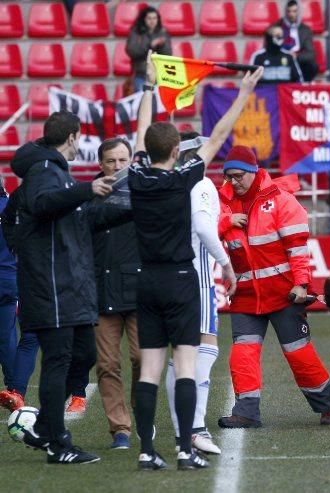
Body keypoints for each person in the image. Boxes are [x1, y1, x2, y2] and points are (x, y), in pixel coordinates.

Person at [128, 54, 256, 471]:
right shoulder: (189, 178)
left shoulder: (138, 176)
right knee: (186, 366)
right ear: (178, 152)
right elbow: (219, 133)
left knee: (149, 369)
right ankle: (186, 448)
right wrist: (243, 94)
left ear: (146, 152)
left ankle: (147, 451)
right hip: (182, 280)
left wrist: (148, 86)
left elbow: (140, 133)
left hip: (145, 280)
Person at [11, 110, 131, 464]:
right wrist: (86, 189)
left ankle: (46, 429)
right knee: (60, 359)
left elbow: (82, 217)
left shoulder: (57, 173)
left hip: (68, 287)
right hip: (52, 286)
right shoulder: (45, 171)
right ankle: (57, 443)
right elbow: (41, 205)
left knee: (84, 355)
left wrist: (132, 207)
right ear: (73, 137)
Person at [216, 145, 330, 429]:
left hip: (283, 293)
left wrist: (301, 284)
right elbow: (202, 230)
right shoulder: (222, 203)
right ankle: (246, 412)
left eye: (238, 176)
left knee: (299, 354)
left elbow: (297, 249)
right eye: (228, 177)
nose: (233, 182)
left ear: (253, 172)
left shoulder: (281, 200)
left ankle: (328, 406)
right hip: (245, 295)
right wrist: (226, 221)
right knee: (242, 354)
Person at [163, 131, 230, 455]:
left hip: (161, 277)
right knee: (204, 350)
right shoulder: (200, 183)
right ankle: (195, 428)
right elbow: (203, 228)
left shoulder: (161, 183)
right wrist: (226, 263)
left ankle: (180, 431)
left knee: (171, 359)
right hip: (195, 279)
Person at [90, 137, 141, 451]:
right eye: (111, 161)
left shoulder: (144, 191)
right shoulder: (87, 196)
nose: (118, 166)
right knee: (107, 365)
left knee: (141, 358)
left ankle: (139, 408)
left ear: (132, 161)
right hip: (100, 292)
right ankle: (120, 428)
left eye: (123, 160)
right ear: (101, 164)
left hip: (139, 291)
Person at [0, 189, 38, 412]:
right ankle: (15, 390)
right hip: (13, 277)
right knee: (20, 336)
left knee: (6, 336)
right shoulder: (13, 208)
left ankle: (14, 389)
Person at [126, 6, 172, 93]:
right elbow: (131, 51)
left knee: (157, 105)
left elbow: (168, 54)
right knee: (141, 103)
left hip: (159, 76)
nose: (152, 21)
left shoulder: (163, 32)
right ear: (144, 19)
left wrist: (162, 46)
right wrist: (150, 45)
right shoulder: (136, 32)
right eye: (149, 18)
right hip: (141, 75)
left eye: (155, 18)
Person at [269, 0, 318, 81]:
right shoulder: (277, 27)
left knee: (312, 66)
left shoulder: (305, 30)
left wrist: (296, 56)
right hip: (281, 59)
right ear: (285, 12)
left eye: (294, 11)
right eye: (289, 11)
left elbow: (310, 53)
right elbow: (270, 47)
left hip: (298, 60)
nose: (291, 14)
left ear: (299, 12)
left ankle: (303, 87)